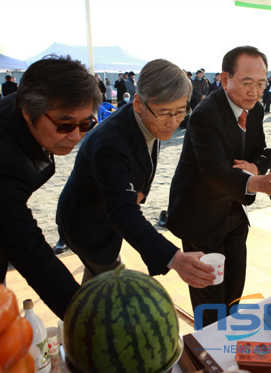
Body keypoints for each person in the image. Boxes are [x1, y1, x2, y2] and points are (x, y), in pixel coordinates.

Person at [56, 59, 215, 289]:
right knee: (112, 286)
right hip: (86, 223)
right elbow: (122, 212)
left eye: (181, 112)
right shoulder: (110, 143)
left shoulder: (149, 119)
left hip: (108, 214)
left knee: (98, 281)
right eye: (164, 113)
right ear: (138, 103)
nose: (173, 123)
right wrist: (175, 258)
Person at [0, 55, 102, 319]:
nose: (76, 136)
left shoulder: (28, 106)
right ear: (29, 113)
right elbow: (27, 248)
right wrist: (84, 318)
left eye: (87, 124)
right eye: (65, 125)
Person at [167, 46, 271, 326]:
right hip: (199, 216)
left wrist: (255, 167)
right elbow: (214, 172)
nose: (255, 91)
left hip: (232, 213)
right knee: (211, 305)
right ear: (225, 78)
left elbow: (263, 150)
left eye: (261, 83)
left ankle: (228, 345)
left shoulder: (256, 109)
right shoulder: (206, 113)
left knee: (234, 293)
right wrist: (258, 183)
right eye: (247, 82)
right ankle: (210, 357)